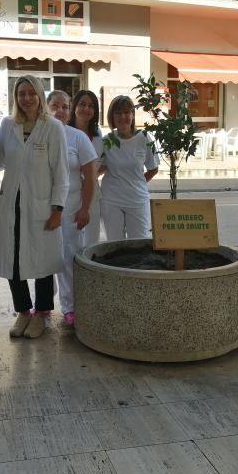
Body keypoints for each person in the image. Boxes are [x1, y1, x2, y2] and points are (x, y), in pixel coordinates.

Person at [0, 75, 68, 339]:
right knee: (13, 261)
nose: (26, 98)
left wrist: (58, 209)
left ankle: (41, 314)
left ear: (39, 95)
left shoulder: (52, 127)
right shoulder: (7, 125)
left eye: (31, 93)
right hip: (12, 204)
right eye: (20, 94)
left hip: (41, 205)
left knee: (43, 262)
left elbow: (61, 172)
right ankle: (23, 311)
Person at [48, 90, 98, 326]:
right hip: (44, 209)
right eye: (55, 105)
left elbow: (90, 177)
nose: (60, 111)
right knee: (45, 259)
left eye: (65, 107)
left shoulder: (78, 137)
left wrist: (85, 208)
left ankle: (70, 307)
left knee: (69, 257)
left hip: (71, 209)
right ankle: (43, 307)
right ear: (46, 107)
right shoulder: (39, 135)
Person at [99, 95, 159, 240]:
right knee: (114, 244)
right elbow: (98, 167)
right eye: (118, 113)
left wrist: (137, 183)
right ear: (112, 117)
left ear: (132, 115)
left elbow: (153, 168)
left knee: (139, 243)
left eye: (126, 112)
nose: (123, 117)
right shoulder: (107, 140)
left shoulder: (144, 137)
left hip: (137, 200)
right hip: (111, 200)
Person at [69, 89, 104, 246]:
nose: (86, 109)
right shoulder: (64, 132)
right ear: (74, 106)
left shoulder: (98, 135)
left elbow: (104, 163)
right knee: (69, 243)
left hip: (92, 195)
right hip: (69, 195)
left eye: (91, 106)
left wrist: (92, 176)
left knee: (91, 242)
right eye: (82, 104)